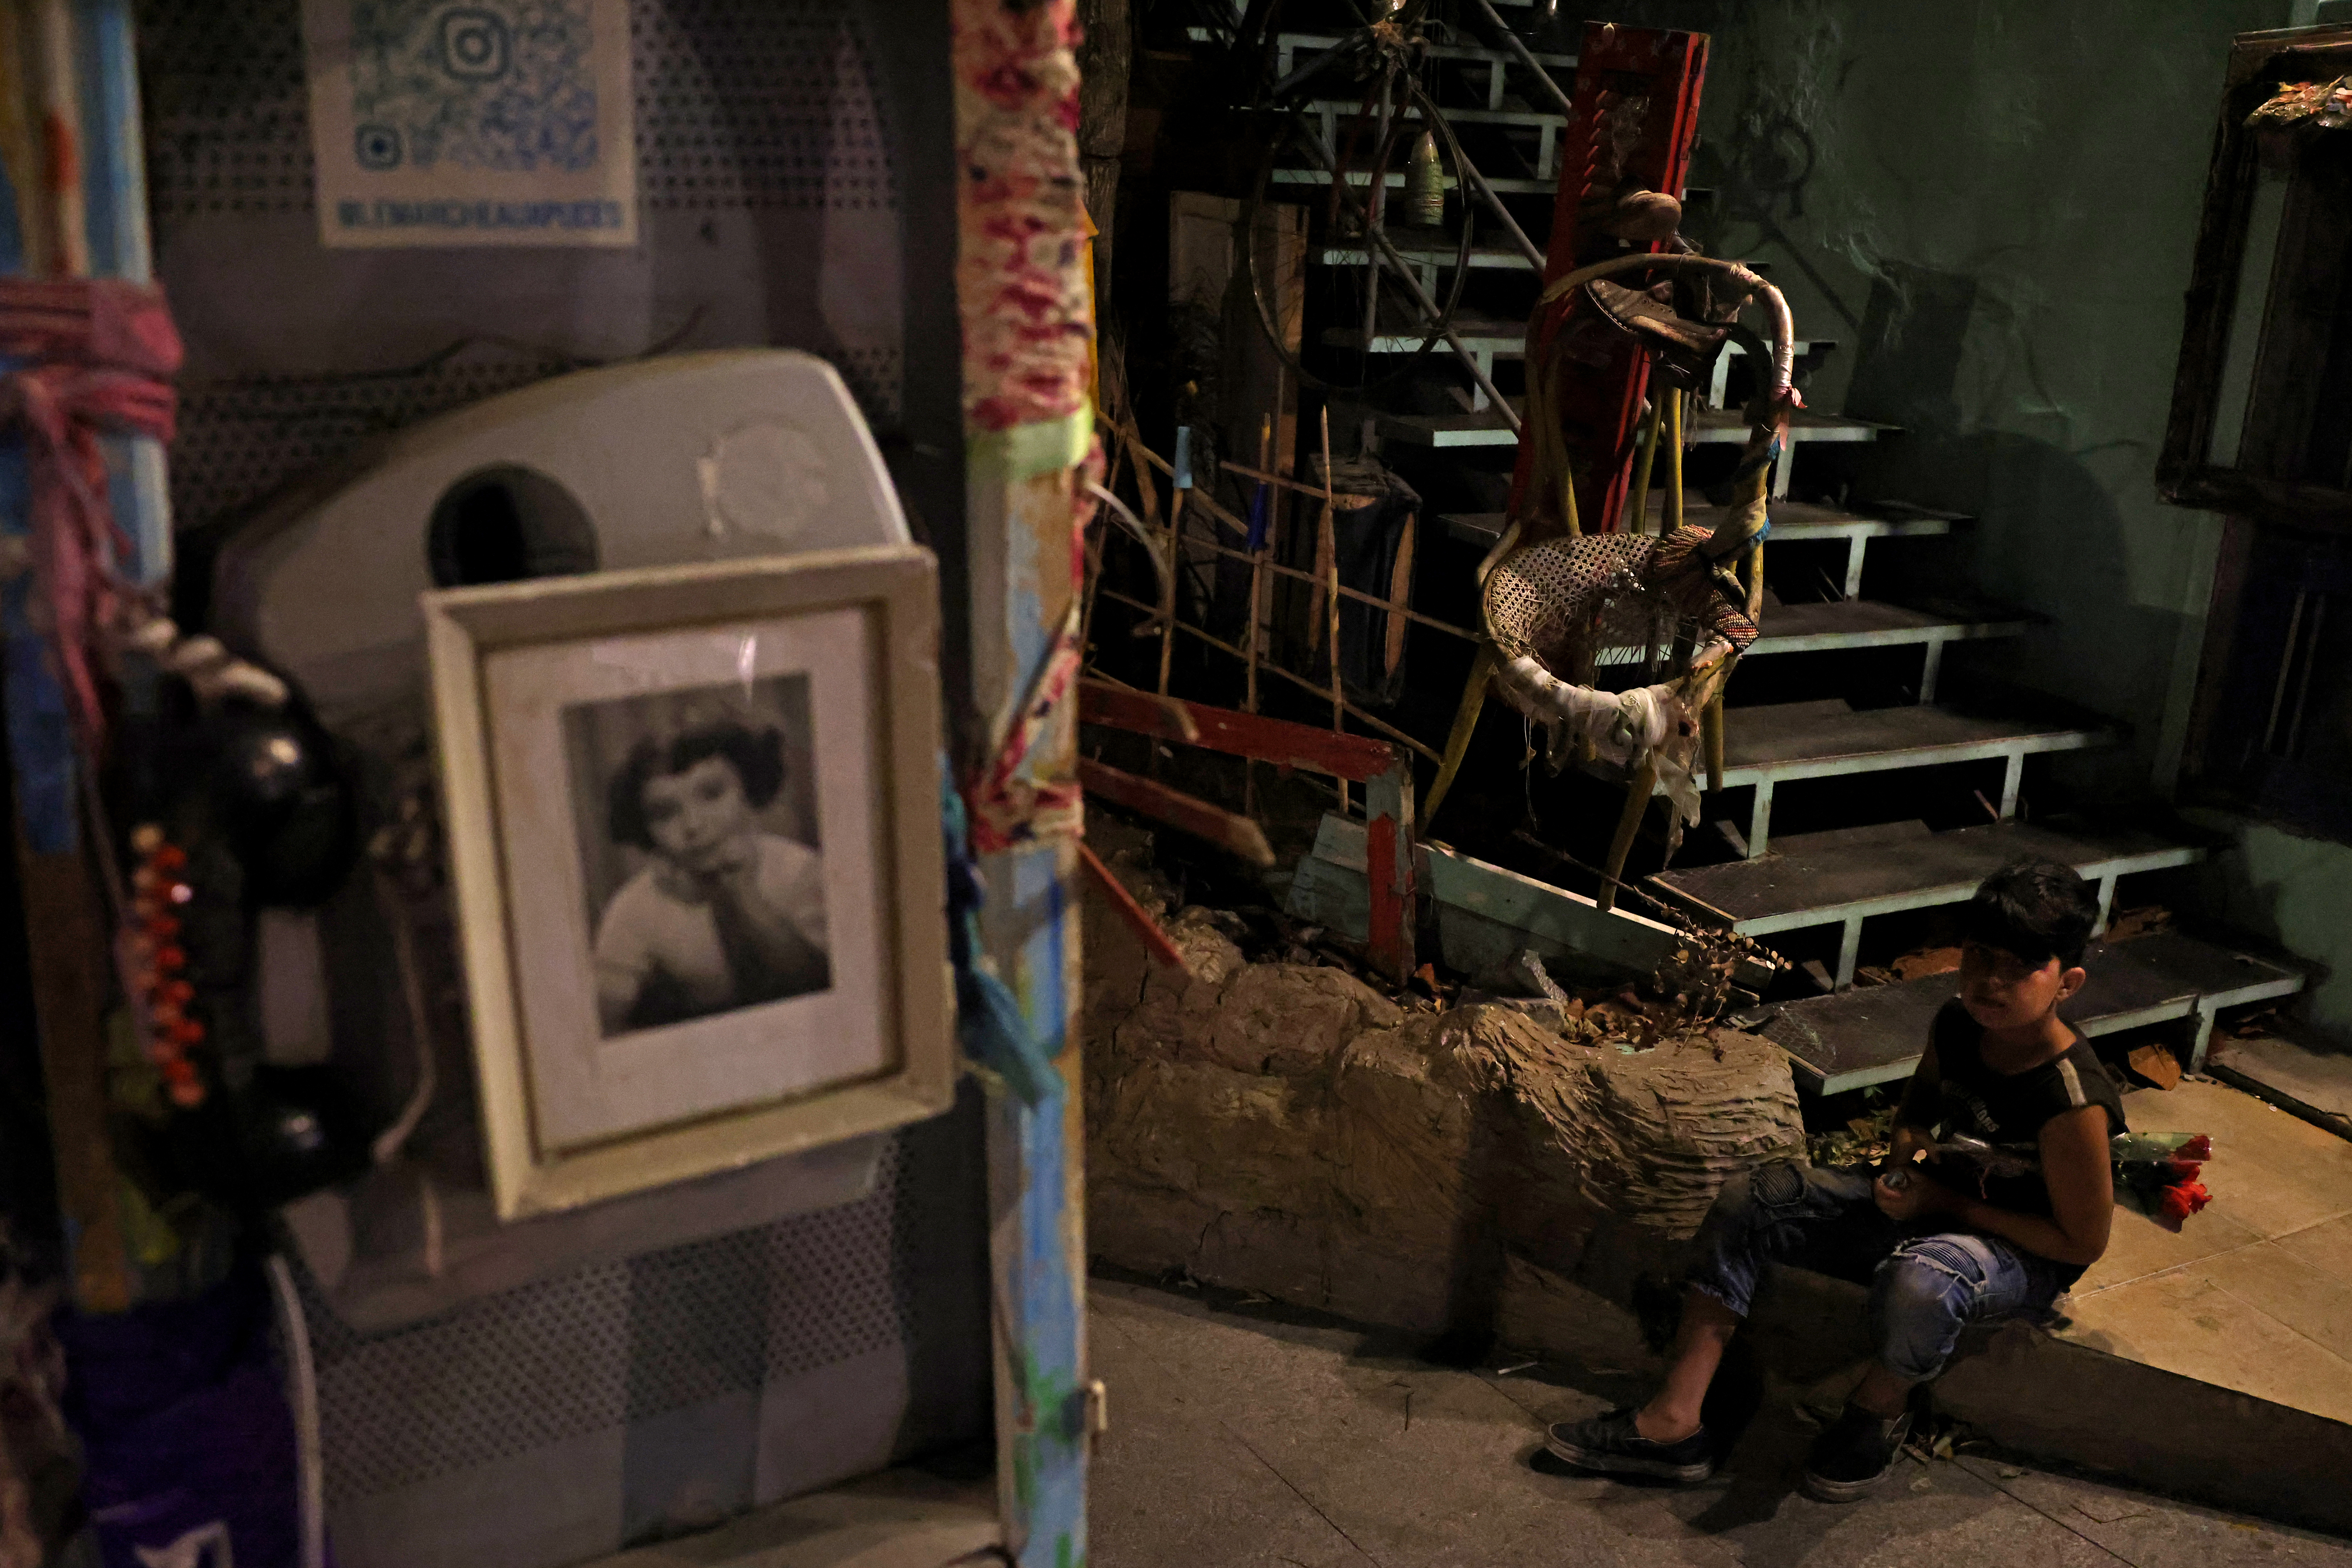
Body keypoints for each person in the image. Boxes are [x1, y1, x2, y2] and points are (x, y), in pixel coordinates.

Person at [1547, 857, 2125, 1500]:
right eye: (1980, 955)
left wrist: (1947, 1202)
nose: (1991, 980)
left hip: (2019, 1252)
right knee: (1757, 1197)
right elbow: (1916, 1113)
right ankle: (1675, 1419)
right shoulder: (1959, 1024)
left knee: (1926, 1280)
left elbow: (2080, 1242)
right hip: (1939, 1205)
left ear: (2067, 981)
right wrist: (1907, 1164)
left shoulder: (2072, 1100)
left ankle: (1875, 1413)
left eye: (2021, 966)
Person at [592, 715, 830, 1035]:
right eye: (665, 813)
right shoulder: (635, 908)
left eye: (712, 794)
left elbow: (822, 984)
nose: (693, 825)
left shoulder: (799, 870)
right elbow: (604, 1025)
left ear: (748, 789)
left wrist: (745, 894)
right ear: (644, 829)